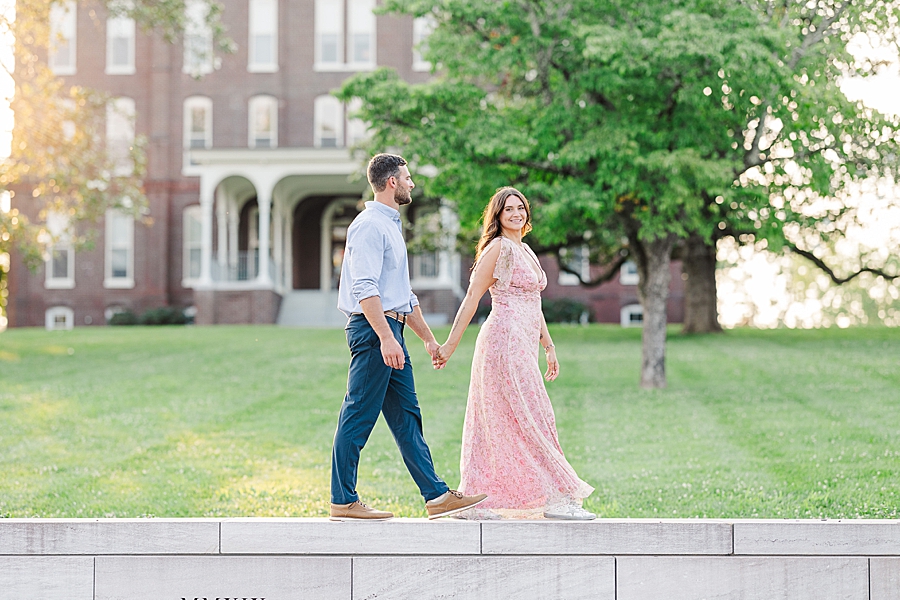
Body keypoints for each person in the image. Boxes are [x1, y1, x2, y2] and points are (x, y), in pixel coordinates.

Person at [330, 153, 487, 521]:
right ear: (391, 182)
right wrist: (386, 338)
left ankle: (436, 496)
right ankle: (342, 500)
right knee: (357, 414)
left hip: (389, 329)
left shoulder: (390, 226)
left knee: (406, 417)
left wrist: (429, 340)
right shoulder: (368, 225)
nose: (412, 183)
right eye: (407, 178)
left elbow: (403, 296)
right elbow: (365, 288)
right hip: (374, 331)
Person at [433, 187, 596, 520]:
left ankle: (531, 497)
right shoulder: (498, 248)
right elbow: (472, 298)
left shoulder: (527, 252)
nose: (516, 214)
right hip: (502, 342)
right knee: (525, 415)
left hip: (524, 344)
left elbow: (534, 306)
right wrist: (449, 344)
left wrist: (548, 346)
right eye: (508, 210)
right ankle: (554, 498)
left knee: (530, 416)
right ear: (498, 216)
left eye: (520, 208)